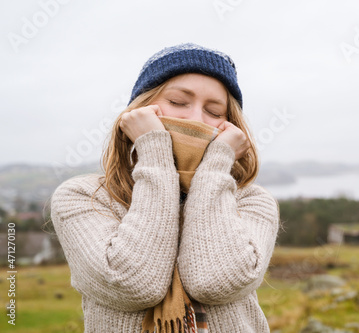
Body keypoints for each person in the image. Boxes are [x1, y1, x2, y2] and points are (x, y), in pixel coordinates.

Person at [50, 43, 280, 333]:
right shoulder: (83, 197)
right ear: (140, 111)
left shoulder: (252, 202)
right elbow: (133, 285)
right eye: (178, 102)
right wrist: (156, 153)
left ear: (230, 126)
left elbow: (215, 282)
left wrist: (214, 167)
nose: (195, 119)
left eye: (213, 111)